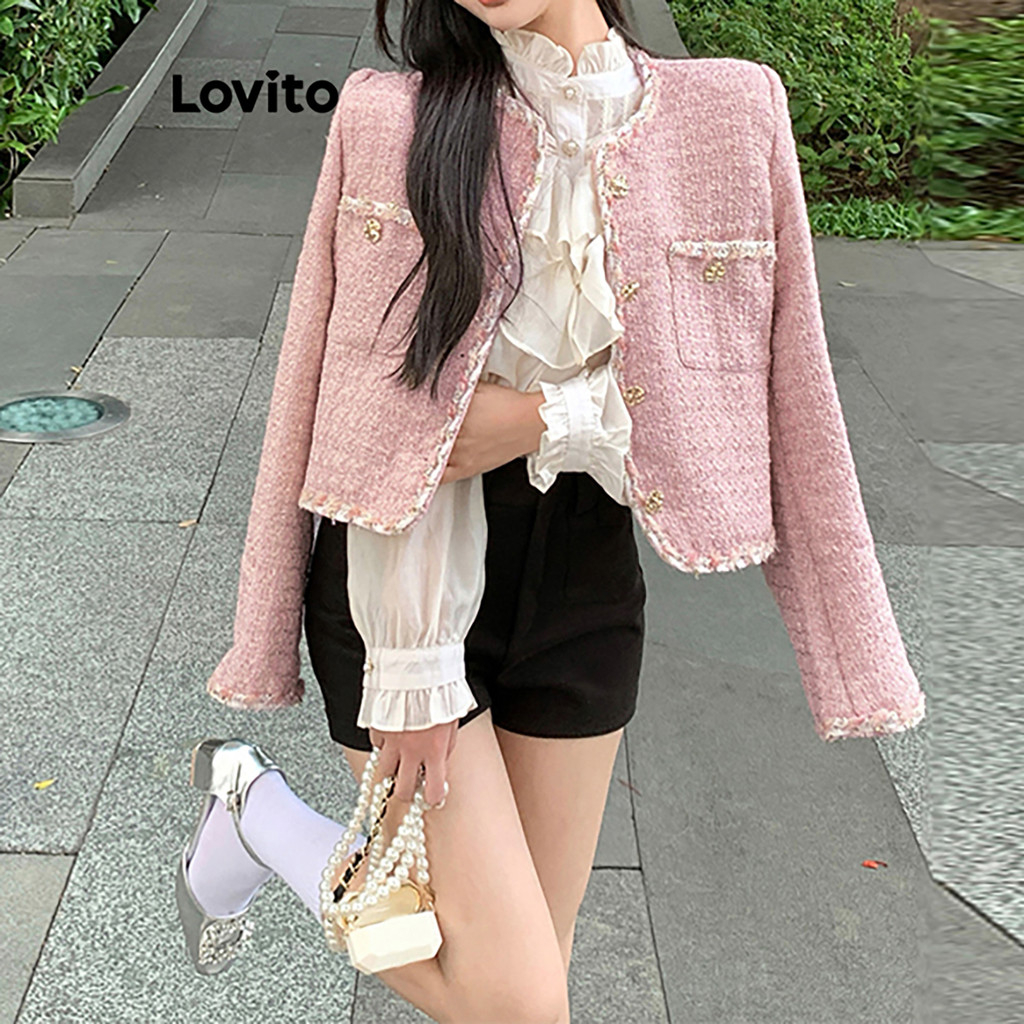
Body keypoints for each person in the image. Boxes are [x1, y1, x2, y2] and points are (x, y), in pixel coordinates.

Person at [178, 1, 927, 1021]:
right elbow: (342, 393)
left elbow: (780, 391)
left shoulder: (731, 114)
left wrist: (546, 416)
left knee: (526, 975)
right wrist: (408, 663)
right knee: (517, 1002)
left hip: (585, 581)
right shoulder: (392, 116)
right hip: (403, 583)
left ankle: (251, 816)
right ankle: (257, 816)